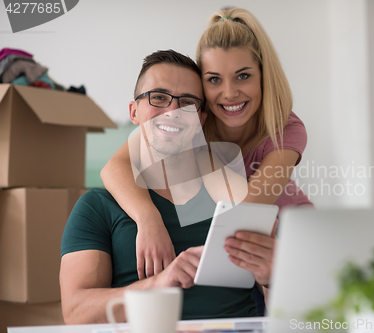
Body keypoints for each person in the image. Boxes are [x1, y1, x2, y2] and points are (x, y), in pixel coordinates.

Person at [60, 50, 276, 324]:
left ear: (201, 120)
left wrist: (273, 276)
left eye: (187, 102)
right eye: (158, 97)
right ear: (134, 112)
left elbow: (282, 306)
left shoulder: (233, 196)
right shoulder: (97, 206)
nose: (173, 112)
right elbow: (76, 313)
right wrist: (157, 286)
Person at [100, 8, 313, 284]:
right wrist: (148, 219)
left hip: (284, 230)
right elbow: (114, 166)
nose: (229, 93)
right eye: (214, 79)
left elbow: (244, 214)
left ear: (264, 76)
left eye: (243, 76)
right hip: (238, 240)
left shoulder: (284, 128)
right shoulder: (193, 118)